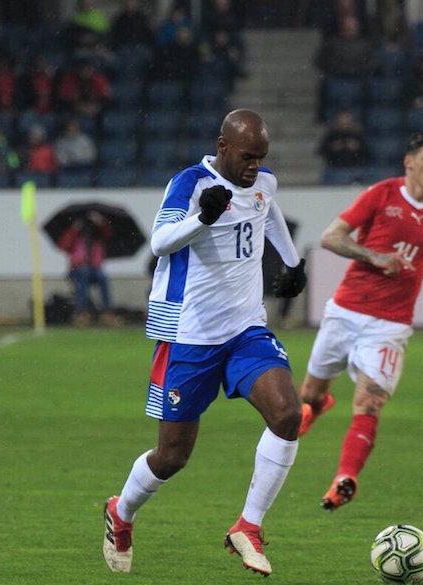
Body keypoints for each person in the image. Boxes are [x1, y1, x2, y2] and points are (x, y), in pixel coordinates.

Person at [102, 109, 308, 577]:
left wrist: (292, 263)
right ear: (222, 146)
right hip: (189, 338)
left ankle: (248, 527)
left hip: (245, 331)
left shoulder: (263, 182)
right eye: (247, 157)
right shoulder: (191, 184)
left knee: (288, 415)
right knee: (172, 456)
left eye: (261, 157)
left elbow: (267, 209)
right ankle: (122, 512)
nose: (255, 166)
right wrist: (203, 217)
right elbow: (159, 242)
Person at [297, 132, 423, 510]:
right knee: (307, 396)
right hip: (344, 312)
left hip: (389, 326)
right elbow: (331, 238)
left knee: (370, 401)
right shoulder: (382, 194)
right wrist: (373, 256)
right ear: (409, 162)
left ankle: (345, 477)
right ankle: (317, 403)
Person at [57, 210, 118, 326]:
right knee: (82, 277)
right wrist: (75, 229)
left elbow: (109, 235)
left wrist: (100, 222)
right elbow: (64, 245)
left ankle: (107, 312)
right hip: (78, 268)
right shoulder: (75, 235)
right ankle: (82, 311)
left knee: (103, 278)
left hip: (94, 268)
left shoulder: (98, 236)